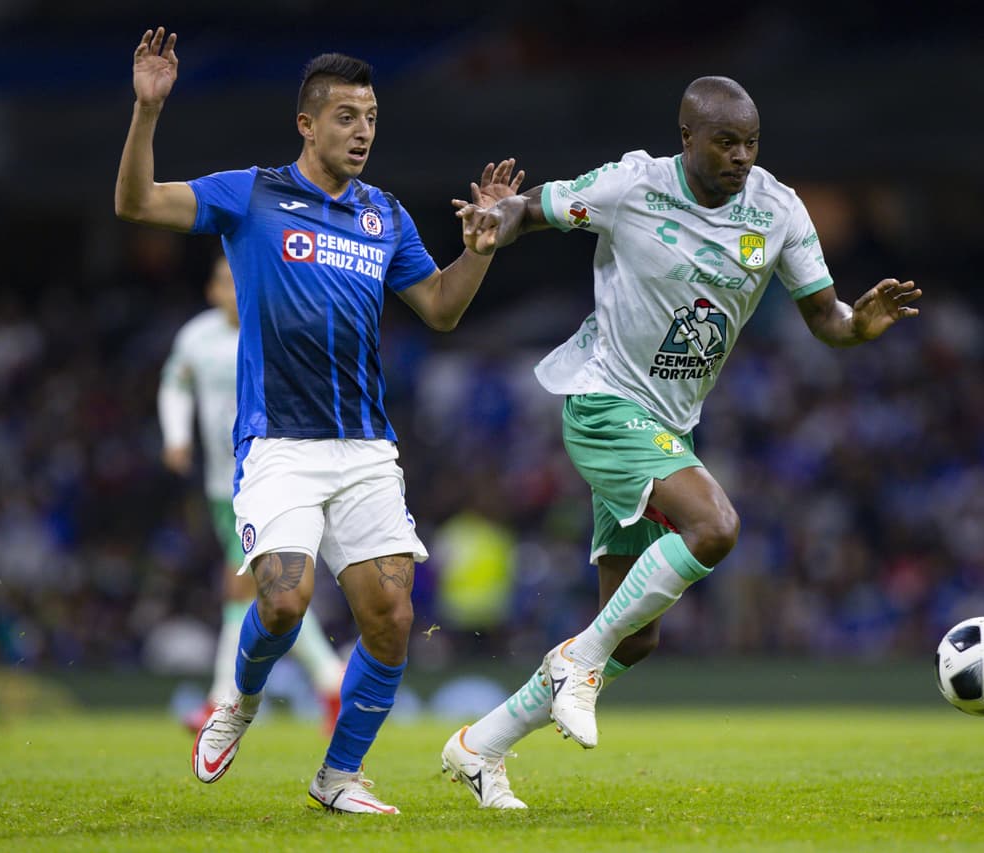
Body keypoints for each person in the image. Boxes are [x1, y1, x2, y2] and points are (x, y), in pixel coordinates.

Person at [441, 76, 921, 809]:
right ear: (688, 139)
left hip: (668, 424)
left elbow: (825, 317)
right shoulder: (631, 184)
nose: (741, 157)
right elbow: (529, 211)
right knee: (715, 525)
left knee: (634, 637)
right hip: (604, 401)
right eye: (725, 142)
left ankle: (481, 744)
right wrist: (492, 219)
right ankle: (578, 659)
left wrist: (860, 324)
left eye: (751, 142)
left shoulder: (779, 207)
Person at [116, 27, 522, 814]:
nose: (362, 130)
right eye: (344, 116)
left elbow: (439, 307)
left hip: (366, 447)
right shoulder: (253, 194)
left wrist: (479, 250)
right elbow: (135, 202)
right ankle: (239, 699)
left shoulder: (385, 215)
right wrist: (145, 113)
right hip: (279, 444)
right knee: (283, 600)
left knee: (393, 618)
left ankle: (337, 777)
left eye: (370, 116)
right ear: (306, 124)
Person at [157, 253, 344, 735]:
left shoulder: (275, 330)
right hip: (223, 485)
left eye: (240, 280)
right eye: (224, 280)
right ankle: (330, 680)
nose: (232, 289)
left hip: (267, 479)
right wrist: (176, 436)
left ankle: (222, 703)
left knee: (243, 587)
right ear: (211, 291)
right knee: (265, 591)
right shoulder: (196, 337)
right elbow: (174, 387)